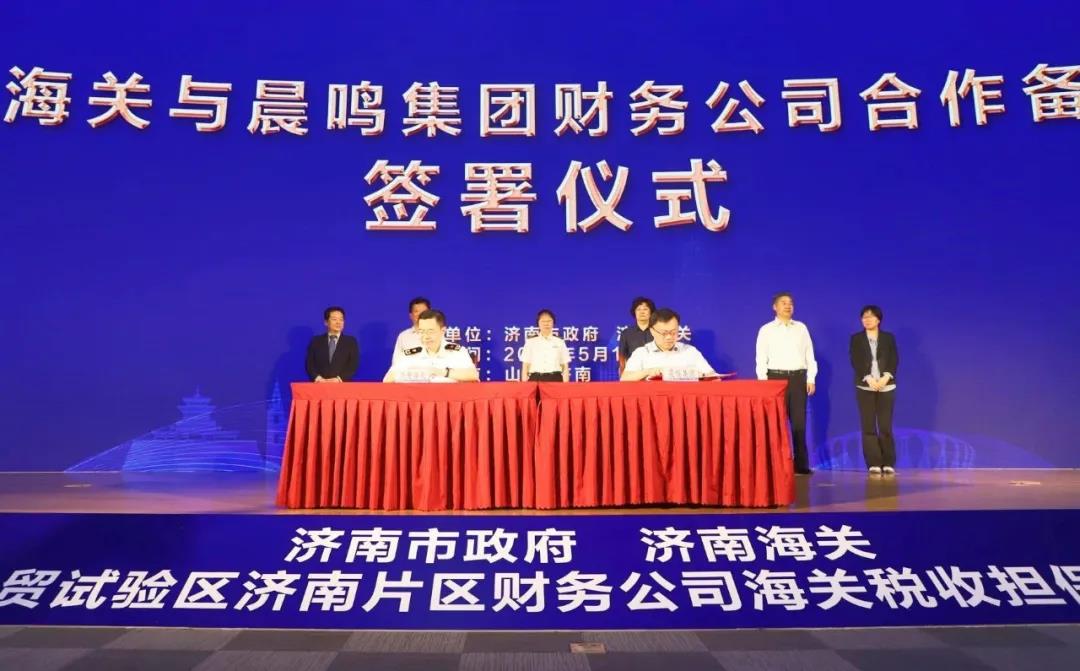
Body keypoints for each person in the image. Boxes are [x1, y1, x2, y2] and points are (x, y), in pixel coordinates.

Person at [755, 292, 817, 475]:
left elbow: (809, 355)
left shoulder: (801, 328)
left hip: (798, 378)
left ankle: (801, 465)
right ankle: (775, 465)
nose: (788, 306)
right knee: (775, 424)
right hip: (775, 379)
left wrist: (811, 378)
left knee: (799, 423)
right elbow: (761, 358)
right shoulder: (766, 330)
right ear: (775, 307)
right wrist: (763, 383)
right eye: (783, 303)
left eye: (790, 303)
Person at [850, 305, 899, 476]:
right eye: (864, 317)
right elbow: (855, 360)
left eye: (870, 317)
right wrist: (868, 378)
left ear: (878, 319)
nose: (867, 320)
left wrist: (886, 377)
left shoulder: (888, 338)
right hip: (865, 386)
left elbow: (894, 359)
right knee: (868, 426)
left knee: (885, 426)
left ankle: (888, 462)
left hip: (886, 385)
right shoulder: (856, 339)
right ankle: (874, 463)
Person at [621, 308, 717, 381]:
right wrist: (648, 371)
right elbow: (625, 379)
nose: (669, 337)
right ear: (652, 331)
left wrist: (700, 375)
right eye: (664, 333)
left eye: (673, 332)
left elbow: (713, 377)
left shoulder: (690, 351)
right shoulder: (642, 353)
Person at [383, 309, 479, 383]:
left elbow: (473, 375)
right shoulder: (410, 355)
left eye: (430, 331)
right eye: (421, 331)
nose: (425, 336)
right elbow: (388, 379)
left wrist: (440, 372)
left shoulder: (457, 352)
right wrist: (414, 375)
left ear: (443, 331)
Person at [305, 306, 359, 382]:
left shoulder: (351, 342)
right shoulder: (316, 341)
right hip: (319, 384)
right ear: (326, 322)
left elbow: (353, 365)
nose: (338, 322)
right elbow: (309, 364)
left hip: (342, 385)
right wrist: (318, 378)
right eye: (334, 319)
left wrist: (338, 379)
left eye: (341, 319)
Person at [521, 309, 571, 382]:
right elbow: (525, 366)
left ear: (553, 323)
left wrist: (565, 385)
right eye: (543, 321)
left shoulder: (560, 342)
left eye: (549, 321)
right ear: (538, 323)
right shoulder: (530, 342)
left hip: (555, 379)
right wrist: (525, 385)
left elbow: (565, 366)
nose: (546, 324)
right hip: (536, 379)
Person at [618, 297, 656, 376]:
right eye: (638, 309)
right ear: (634, 312)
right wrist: (623, 375)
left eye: (645, 309)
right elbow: (622, 357)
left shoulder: (658, 331)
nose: (642, 312)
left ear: (651, 312)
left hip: (654, 373)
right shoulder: (626, 333)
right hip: (633, 374)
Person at [391, 297, 431, 366]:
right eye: (416, 311)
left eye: (424, 311)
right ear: (411, 315)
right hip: (410, 372)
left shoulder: (439, 334)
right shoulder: (404, 336)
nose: (420, 315)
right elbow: (396, 363)